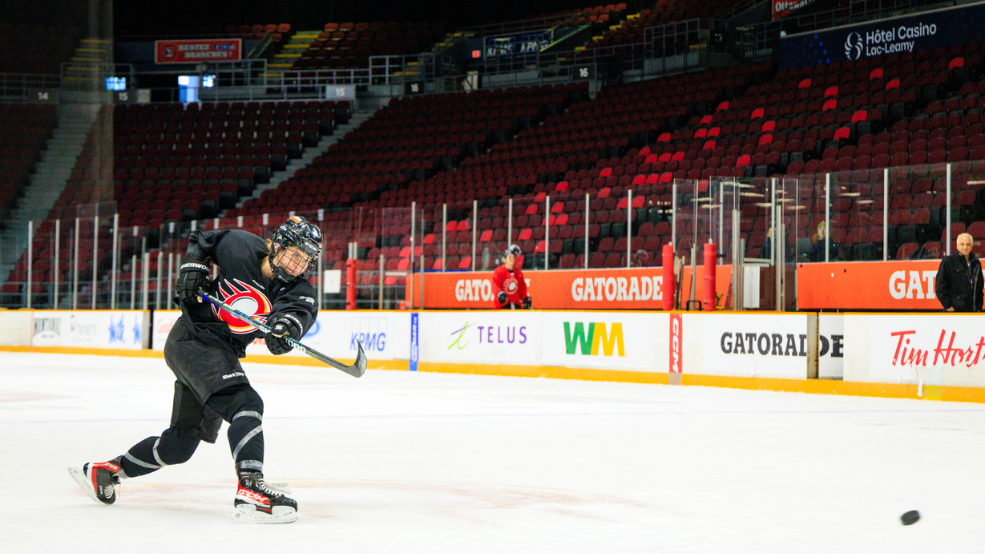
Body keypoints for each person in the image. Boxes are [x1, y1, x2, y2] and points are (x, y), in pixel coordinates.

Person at [69, 216, 323, 524]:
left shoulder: (299, 291)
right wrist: (194, 266)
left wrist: (285, 329)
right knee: (246, 404)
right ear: (279, 245)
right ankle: (251, 487)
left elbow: (297, 314)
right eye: (295, 254)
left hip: (220, 353)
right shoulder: (242, 247)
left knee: (180, 445)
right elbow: (203, 241)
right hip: (192, 338)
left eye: (306, 259)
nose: (299, 264)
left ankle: (105, 471)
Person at [935, 232, 983, 312]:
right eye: (962, 244)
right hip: (954, 312)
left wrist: (978, 307)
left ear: (971, 246)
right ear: (957, 246)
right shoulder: (948, 262)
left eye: (968, 244)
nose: (965, 247)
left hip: (972, 311)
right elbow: (940, 287)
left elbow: (979, 288)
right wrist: (948, 306)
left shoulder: (976, 263)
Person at [492, 244, 531, 309]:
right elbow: (495, 285)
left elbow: (522, 287)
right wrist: (499, 293)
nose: (512, 258)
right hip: (502, 306)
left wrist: (525, 298)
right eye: (510, 257)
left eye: (513, 257)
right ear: (504, 260)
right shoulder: (499, 271)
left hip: (516, 304)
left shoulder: (518, 273)